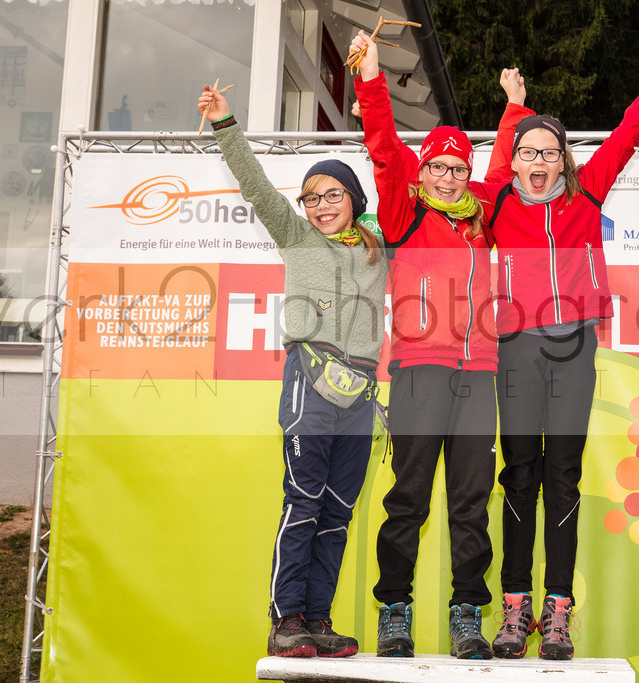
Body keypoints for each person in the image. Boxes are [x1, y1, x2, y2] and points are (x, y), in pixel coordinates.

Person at [484, 36, 639, 661]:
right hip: (516, 348)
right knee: (519, 475)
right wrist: (514, 107)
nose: (538, 162)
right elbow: (493, 157)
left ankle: (557, 612)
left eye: (550, 153)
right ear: (516, 160)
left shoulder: (587, 193)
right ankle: (514, 609)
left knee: (563, 475)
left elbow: (630, 131)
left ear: (564, 161)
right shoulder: (497, 201)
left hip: (573, 346)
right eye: (528, 153)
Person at [348, 32, 527, 660]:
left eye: (458, 169)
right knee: (408, 499)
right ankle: (393, 610)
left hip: (478, 373)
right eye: (439, 168)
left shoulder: (482, 216)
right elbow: (383, 148)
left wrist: (513, 109)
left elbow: (502, 170)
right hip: (420, 370)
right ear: (422, 170)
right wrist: (371, 78)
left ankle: (466, 615)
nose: (449, 178)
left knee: (471, 502)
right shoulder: (405, 214)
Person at [197, 85, 388, 659]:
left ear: (354, 198)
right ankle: (287, 619)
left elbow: (397, 173)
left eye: (333, 194)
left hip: (362, 389)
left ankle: (318, 619)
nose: (321, 205)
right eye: (311, 198)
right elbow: (255, 184)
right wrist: (225, 123)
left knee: (338, 510)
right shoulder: (297, 236)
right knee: (303, 501)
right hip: (311, 377)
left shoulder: (379, 246)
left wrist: (371, 98)